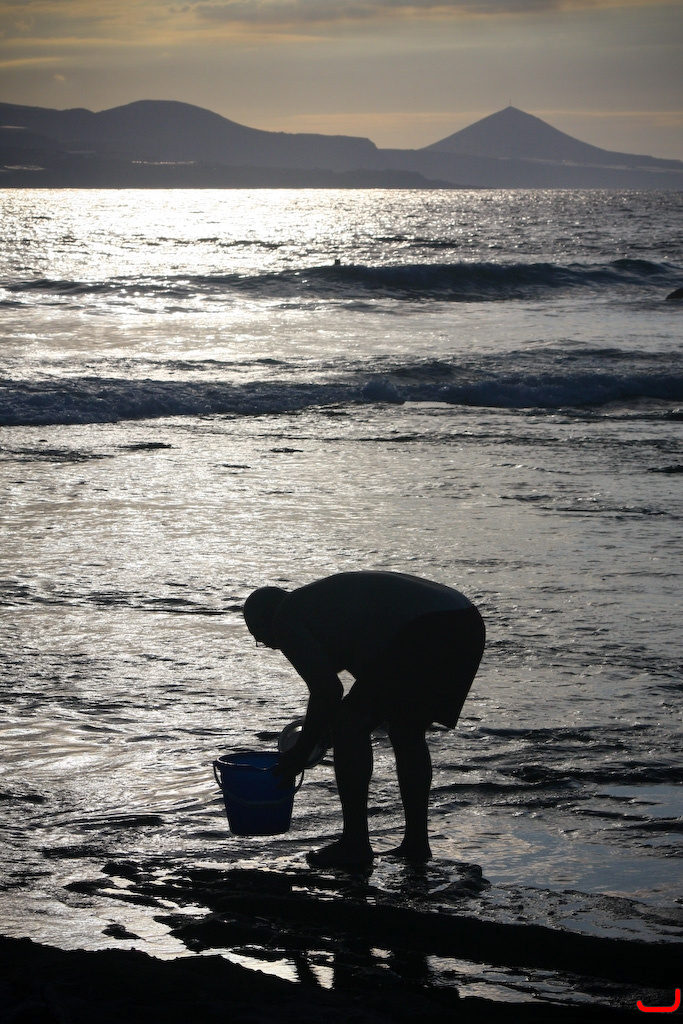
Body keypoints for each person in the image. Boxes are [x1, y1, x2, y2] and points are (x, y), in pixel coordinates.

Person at [243, 571, 485, 869]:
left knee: (349, 726)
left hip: (429, 627)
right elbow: (358, 686)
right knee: (406, 730)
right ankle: (416, 845)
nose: (272, 645)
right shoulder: (321, 611)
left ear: (266, 621)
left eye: (260, 638)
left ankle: (355, 844)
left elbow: (327, 691)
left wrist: (300, 753)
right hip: (464, 621)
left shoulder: (286, 617)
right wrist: (323, 728)